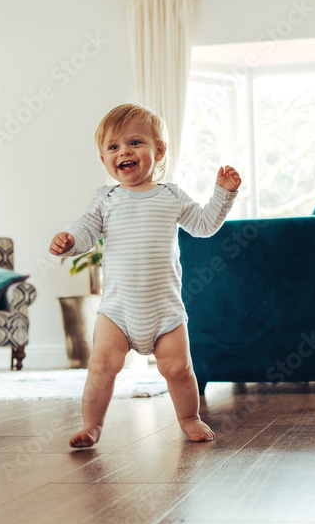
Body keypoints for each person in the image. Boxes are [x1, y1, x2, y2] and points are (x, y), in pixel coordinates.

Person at [49, 103, 241, 447]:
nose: (124, 151)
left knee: (179, 371)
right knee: (101, 367)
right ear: (105, 159)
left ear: (159, 150)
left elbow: (203, 225)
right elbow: (86, 228)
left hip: (165, 311)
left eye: (135, 142)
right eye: (113, 147)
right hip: (118, 311)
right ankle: (91, 425)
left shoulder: (171, 195)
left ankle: (189, 417)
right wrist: (70, 241)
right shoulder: (106, 198)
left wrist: (223, 194)